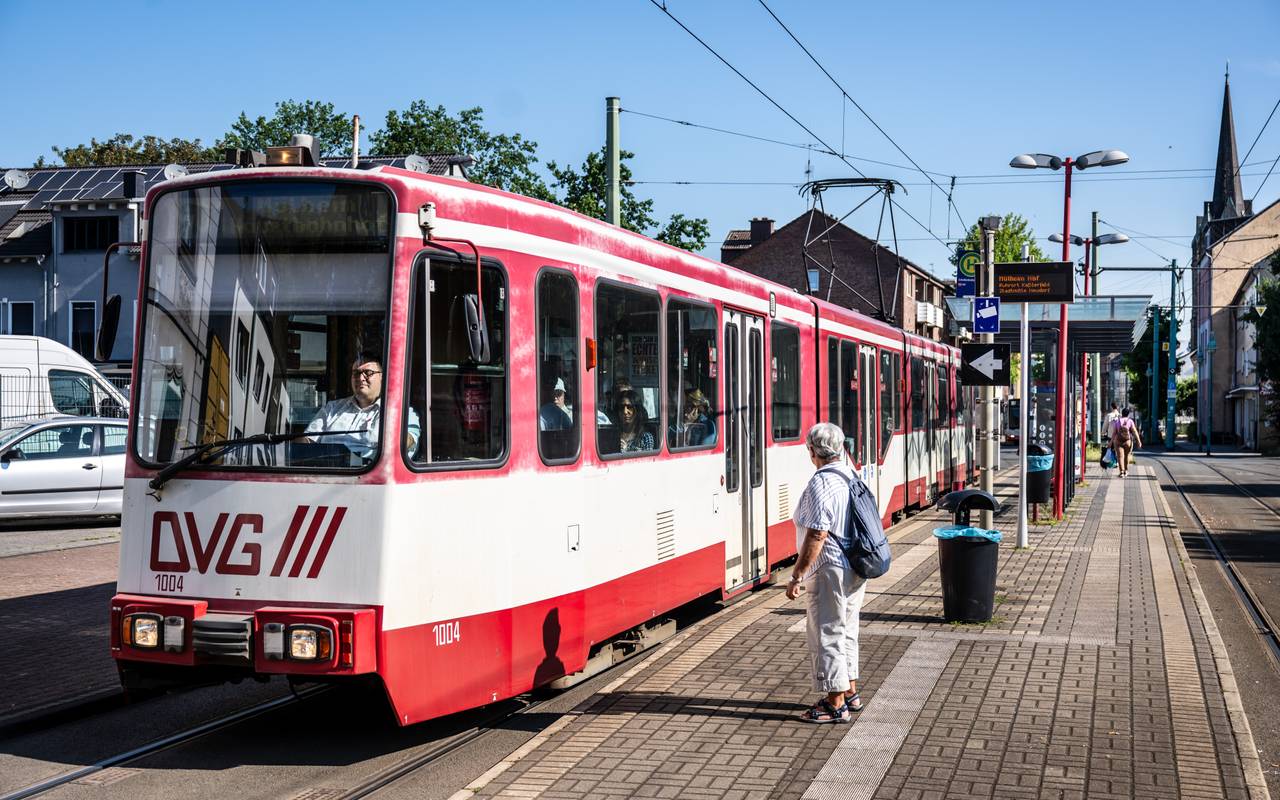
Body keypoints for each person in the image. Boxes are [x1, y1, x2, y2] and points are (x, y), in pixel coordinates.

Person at [787, 422, 867, 724]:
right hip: (855, 566)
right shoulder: (850, 474)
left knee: (827, 633)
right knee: (847, 629)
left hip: (829, 568)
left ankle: (835, 704)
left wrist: (797, 575)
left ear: (812, 451)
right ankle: (850, 692)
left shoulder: (821, 482)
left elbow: (817, 534)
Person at [306, 351, 420, 461]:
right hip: (324, 471)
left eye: (368, 372)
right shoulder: (331, 409)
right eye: (356, 373)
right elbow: (307, 440)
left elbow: (407, 443)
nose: (360, 378)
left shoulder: (400, 411)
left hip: (368, 474)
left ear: (383, 377)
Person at [1107, 406, 1142, 477]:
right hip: (1127, 441)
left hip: (1118, 441)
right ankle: (1126, 470)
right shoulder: (1130, 421)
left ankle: (1122, 472)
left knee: (1120, 456)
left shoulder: (1117, 421)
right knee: (1126, 456)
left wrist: (1110, 443)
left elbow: (1114, 433)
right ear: (1128, 414)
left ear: (1122, 414)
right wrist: (1139, 441)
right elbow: (1134, 431)